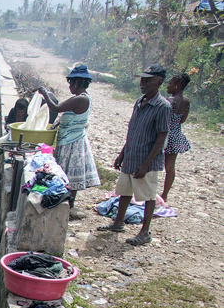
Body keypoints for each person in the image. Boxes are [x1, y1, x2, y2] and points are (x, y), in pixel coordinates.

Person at [98, 64, 171, 246]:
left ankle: (144, 232)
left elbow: (161, 136)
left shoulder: (162, 106)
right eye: (142, 79)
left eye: (148, 80)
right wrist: (122, 153)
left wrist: (146, 163)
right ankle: (118, 223)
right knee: (124, 191)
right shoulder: (139, 102)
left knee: (148, 195)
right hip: (131, 155)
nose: (143, 83)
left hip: (146, 159)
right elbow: (133, 131)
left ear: (159, 81)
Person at [38, 64, 101, 219]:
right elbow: (70, 115)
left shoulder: (81, 98)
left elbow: (56, 107)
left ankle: (68, 205)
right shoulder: (81, 98)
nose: (70, 87)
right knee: (67, 173)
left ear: (78, 82)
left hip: (72, 142)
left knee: (68, 174)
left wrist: (45, 93)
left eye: (72, 83)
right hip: (71, 139)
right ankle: (66, 202)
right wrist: (57, 123)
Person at [0, 98, 29, 185]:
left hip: (19, 139)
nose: (20, 115)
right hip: (10, 136)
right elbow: (7, 125)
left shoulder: (28, 117)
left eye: (22, 113)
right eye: (18, 113)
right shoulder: (12, 112)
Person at [162, 72, 191, 203]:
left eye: (170, 83)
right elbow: (183, 120)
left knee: (153, 163)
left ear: (177, 86)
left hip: (164, 135)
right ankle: (165, 194)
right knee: (170, 167)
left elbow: (162, 119)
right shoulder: (186, 102)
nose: (168, 86)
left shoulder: (169, 101)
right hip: (176, 134)